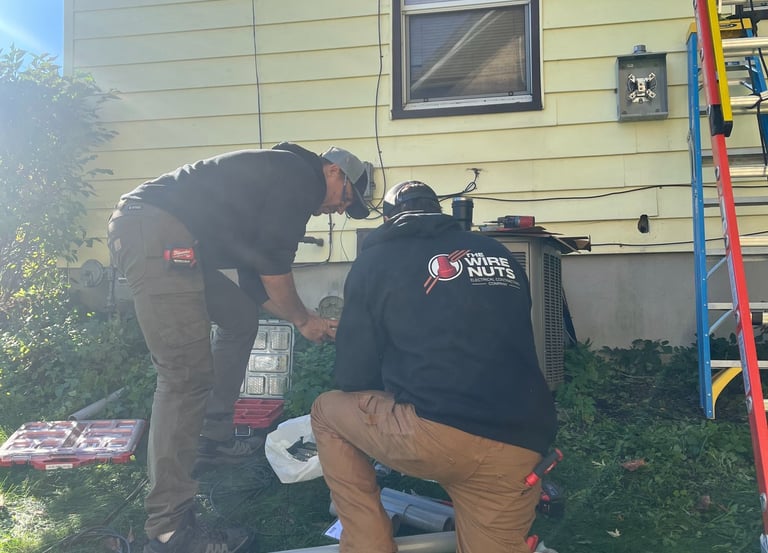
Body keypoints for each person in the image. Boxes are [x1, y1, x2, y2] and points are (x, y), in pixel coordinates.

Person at [107, 142, 369, 553]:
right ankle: (169, 530)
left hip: (172, 235)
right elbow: (273, 268)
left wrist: (301, 318)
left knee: (241, 318)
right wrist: (305, 320)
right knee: (184, 376)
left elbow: (254, 282)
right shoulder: (298, 177)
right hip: (154, 229)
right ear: (334, 171)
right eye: (346, 199)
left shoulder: (281, 178)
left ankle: (211, 437)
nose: (338, 210)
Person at [310, 181, 558, 553]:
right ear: (438, 214)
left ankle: (367, 544)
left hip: (434, 436)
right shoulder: (499, 253)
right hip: (521, 442)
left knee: (326, 412)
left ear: (389, 219)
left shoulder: (375, 261)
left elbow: (354, 376)